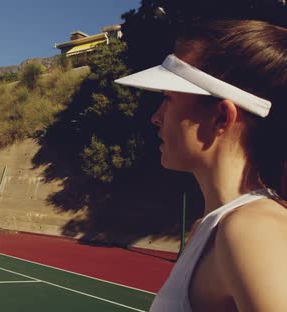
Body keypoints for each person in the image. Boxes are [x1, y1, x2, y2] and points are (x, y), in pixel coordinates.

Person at [115, 20, 287, 311]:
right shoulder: (212, 228)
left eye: (168, 99)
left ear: (222, 117)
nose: (156, 117)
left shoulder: (250, 229)